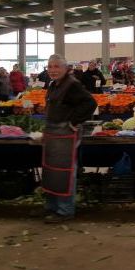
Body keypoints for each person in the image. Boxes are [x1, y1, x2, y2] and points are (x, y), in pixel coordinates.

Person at [42, 54, 97, 223]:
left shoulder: (72, 85)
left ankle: (65, 210)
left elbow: (90, 103)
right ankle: (52, 207)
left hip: (66, 135)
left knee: (65, 173)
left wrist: (74, 122)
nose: (52, 70)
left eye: (56, 66)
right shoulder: (54, 84)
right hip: (53, 134)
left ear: (65, 69)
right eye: (50, 66)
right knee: (52, 171)